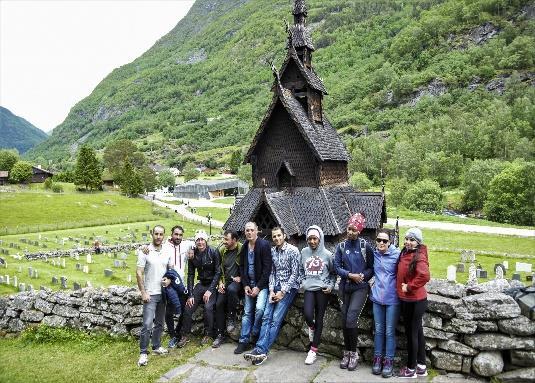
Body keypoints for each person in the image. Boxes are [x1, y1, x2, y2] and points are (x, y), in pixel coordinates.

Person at [244, 227, 301, 365]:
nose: (276, 238)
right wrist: (271, 291)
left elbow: (295, 274)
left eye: (279, 235)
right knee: (266, 317)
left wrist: (282, 292)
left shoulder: (293, 251)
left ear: (284, 235)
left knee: (275, 319)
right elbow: (272, 273)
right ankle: (259, 350)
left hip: (289, 288)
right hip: (275, 287)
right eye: (274, 236)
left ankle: (261, 350)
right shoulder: (272, 251)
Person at [334, 213, 374, 371]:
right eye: (349, 229)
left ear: (359, 231)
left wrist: (363, 276)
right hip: (345, 287)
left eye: (354, 230)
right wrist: (349, 275)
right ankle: (347, 353)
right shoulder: (341, 247)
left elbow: (372, 268)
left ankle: (354, 353)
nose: (350, 232)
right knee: (344, 320)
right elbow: (336, 267)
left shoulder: (365, 246)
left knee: (351, 318)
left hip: (360, 288)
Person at [136, 225, 173, 367]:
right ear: (152, 234)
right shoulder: (145, 251)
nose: (158, 236)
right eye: (156, 234)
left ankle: (156, 346)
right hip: (150, 294)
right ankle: (143, 353)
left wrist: (169, 280)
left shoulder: (166, 250)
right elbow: (139, 273)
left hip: (163, 293)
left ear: (164, 236)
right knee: (147, 324)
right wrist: (143, 292)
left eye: (161, 234)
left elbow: (170, 269)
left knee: (159, 323)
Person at [177, 230, 221, 347]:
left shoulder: (213, 251)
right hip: (200, 284)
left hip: (211, 284)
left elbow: (218, 272)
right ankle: (184, 335)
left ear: (206, 240)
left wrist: (210, 290)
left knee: (208, 307)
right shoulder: (193, 254)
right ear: (195, 242)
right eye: (198, 240)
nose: (200, 242)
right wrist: (190, 294)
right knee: (188, 307)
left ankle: (208, 333)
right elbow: (191, 275)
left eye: (202, 239)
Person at [234, 222, 272, 354]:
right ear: (244, 232)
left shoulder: (264, 245)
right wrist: (245, 285)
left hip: (262, 285)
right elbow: (242, 267)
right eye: (247, 230)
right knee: (247, 312)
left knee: (260, 309)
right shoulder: (244, 247)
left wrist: (258, 287)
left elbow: (267, 269)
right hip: (249, 285)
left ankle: (254, 333)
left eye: (251, 230)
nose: (249, 233)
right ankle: (243, 341)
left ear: (257, 231)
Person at [397, 228, 430, 378]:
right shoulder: (406, 252)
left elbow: (424, 276)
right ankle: (421, 366)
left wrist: (409, 286)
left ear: (418, 242)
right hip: (410, 300)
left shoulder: (419, 257)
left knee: (412, 335)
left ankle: (411, 370)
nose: (408, 242)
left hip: (415, 300)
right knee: (418, 333)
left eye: (412, 240)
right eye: (407, 239)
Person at [300, 225, 336, 365]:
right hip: (309, 289)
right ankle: (312, 327)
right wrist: (303, 282)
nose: (312, 241)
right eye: (310, 239)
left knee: (319, 318)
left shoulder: (327, 254)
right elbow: (300, 270)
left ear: (320, 239)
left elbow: (333, 274)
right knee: (308, 314)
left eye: (315, 238)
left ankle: (313, 351)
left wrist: (331, 286)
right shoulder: (303, 252)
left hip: (322, 290)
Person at [370, 229, 400, 378]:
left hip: (392, 299)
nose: (381, 243)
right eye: (379, 240)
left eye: (385, 241)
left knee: (389, 331)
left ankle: (388, 361)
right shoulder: (374, 254)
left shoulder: (397, 255)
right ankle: (377, 359)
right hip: (377, 298)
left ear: (390, 242)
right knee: (379, 330)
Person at [162, 225, 194, 348]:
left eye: (180, 235)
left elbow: (196, 242)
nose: (178, 237)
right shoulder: (165, 247)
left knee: (183, 310)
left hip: (181, 284)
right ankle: (173, 335)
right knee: (169, 312)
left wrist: (192, 249)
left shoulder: (185, 245)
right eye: (176, 234)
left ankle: (179, 332)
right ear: (171, 234)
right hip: (168, 284)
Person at [212, 229, 243, 348]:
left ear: (234, 240)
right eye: (223, 238)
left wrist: (241, 277)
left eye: (226, 239)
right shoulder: (221, 251)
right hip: (225, 282)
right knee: (219, 303)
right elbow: (218, 270)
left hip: (238, 282)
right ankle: (220, 335)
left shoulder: (242, 249)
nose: (223, 241)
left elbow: (247, 265)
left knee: (231, 290)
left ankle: (231, 316)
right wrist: (220, 283)